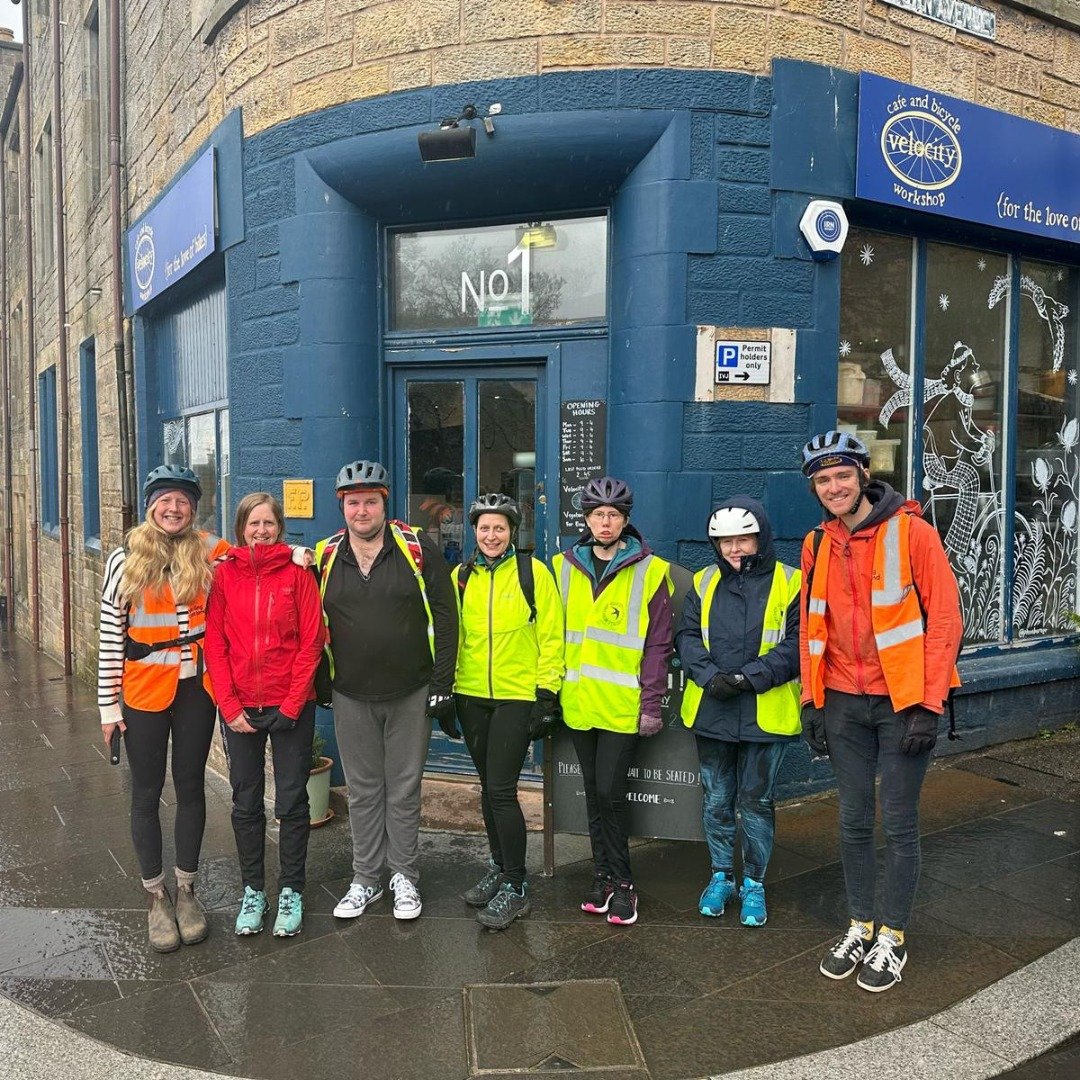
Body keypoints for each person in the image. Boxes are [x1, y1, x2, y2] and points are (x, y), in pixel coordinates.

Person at [799, 430, 962, 993]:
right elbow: (809, 625)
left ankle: (892, 936)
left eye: (843, 475)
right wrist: (810, 700)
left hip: (903, 703)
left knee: (898, 821)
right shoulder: (816, 543)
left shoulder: (912, 531)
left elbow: (945, 621)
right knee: (851, 819)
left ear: (864, 475)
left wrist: (928, 703)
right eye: (822, 479)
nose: (834, 487)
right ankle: (859, 923)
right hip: (843, 700)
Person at [315, 460, 458, 921]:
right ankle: (365, 878)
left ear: (384, 504)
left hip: (410, 691)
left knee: (403, 788)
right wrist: (321, 680)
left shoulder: (416, 548)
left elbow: (446, 614)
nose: (362, 510)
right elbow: (309, 622)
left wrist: (442, 682)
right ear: (343, 507)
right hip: (351, 693)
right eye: (353, 502)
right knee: (361, 790)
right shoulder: (324, 555)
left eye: (370, 502)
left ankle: (403, 876)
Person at [98, 465, 231, 953]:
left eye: (183, 501)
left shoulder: (212, 552)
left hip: (196, 689)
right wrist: (108, 708)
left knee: (192, 788)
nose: (173, 509)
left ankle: (188, 890)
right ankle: (156, 897)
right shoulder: (125, 560)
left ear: (194, 509)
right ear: (151, 505)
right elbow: (111, 636)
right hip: (143, 691)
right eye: (164, 501)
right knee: (146, 793)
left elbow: (259, 559)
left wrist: (301, 554)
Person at [204, 493, 326, 939]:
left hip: (290, 703)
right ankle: (253, 890)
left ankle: (291, 889)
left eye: (269, 523)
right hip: (240, 709)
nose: (261, 530)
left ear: (280, 527)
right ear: (241, 528)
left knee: (293, 801)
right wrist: (229, 706)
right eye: (253, 523)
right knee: (246, 801)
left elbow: (312, 641)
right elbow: (214, 643)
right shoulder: (224, 575)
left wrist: (293, 703)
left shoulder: (298, 572)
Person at [553, 476, 674, 926]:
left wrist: (651, 704)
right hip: (580, 703)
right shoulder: (562, 566)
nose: (606, 522)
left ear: (626, 520)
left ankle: (624, 884)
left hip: (623, 705)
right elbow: (551, 633)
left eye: (614, 515)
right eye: (598, 514)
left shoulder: (650, 569)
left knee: (610, 794)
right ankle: (601, 875)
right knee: (593, 797)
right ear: (585, 518)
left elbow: (659, 643)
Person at [676, 498, 801, 927]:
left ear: (761, 538)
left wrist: (748, 678)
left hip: (765, 714)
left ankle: (754, 884)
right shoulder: (705, 580)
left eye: (742, 539)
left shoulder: (791, 582)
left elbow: (798, 645)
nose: (734, 549)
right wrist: (709, 676)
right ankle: (721, 876)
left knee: (756, 802)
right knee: (715, 801)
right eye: (725, 541)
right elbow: (687, 635)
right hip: (712, 710)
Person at [451, 494, 564, 930]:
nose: (491, 535)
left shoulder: (533, 573)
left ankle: (516, 886)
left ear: (512, 533)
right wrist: (446, 691)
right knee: (486, 788)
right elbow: (448, 635)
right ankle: (499, 868)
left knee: (501, 789)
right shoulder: (461, 576)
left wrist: (546, 693)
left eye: (499, 528)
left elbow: (552, 636)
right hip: (471, 695)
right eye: (484, 528)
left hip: (517, 697)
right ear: (474, 533)